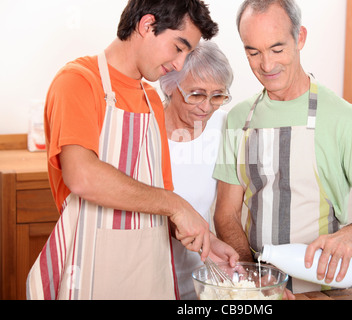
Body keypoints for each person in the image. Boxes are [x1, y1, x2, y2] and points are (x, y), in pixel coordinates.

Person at [26, 0, 233, 300]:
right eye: (178, 47)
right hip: (90, 275)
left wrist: (206, 240)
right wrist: (177, 205)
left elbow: (159, 209)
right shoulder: (78, 81)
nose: (179, 64)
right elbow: (81, 175)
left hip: (149, 279)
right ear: (147, 25)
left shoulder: (151, 102)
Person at [213, 0, 352, 295]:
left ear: (300, 38)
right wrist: (256, 280)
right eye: (253, 52)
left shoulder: (344, 118)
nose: (267, 65)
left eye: (277, 49)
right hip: (260, 289)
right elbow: (226, 214)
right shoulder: (238, 119)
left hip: (324, 287)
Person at [160, 40, 237, 300]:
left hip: (201, 276)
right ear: (170, 86)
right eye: (196, 94)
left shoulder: (223, 125)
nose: (207, 107)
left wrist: (213, 244)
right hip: (147, 275)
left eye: (217, 95)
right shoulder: (145, 128)